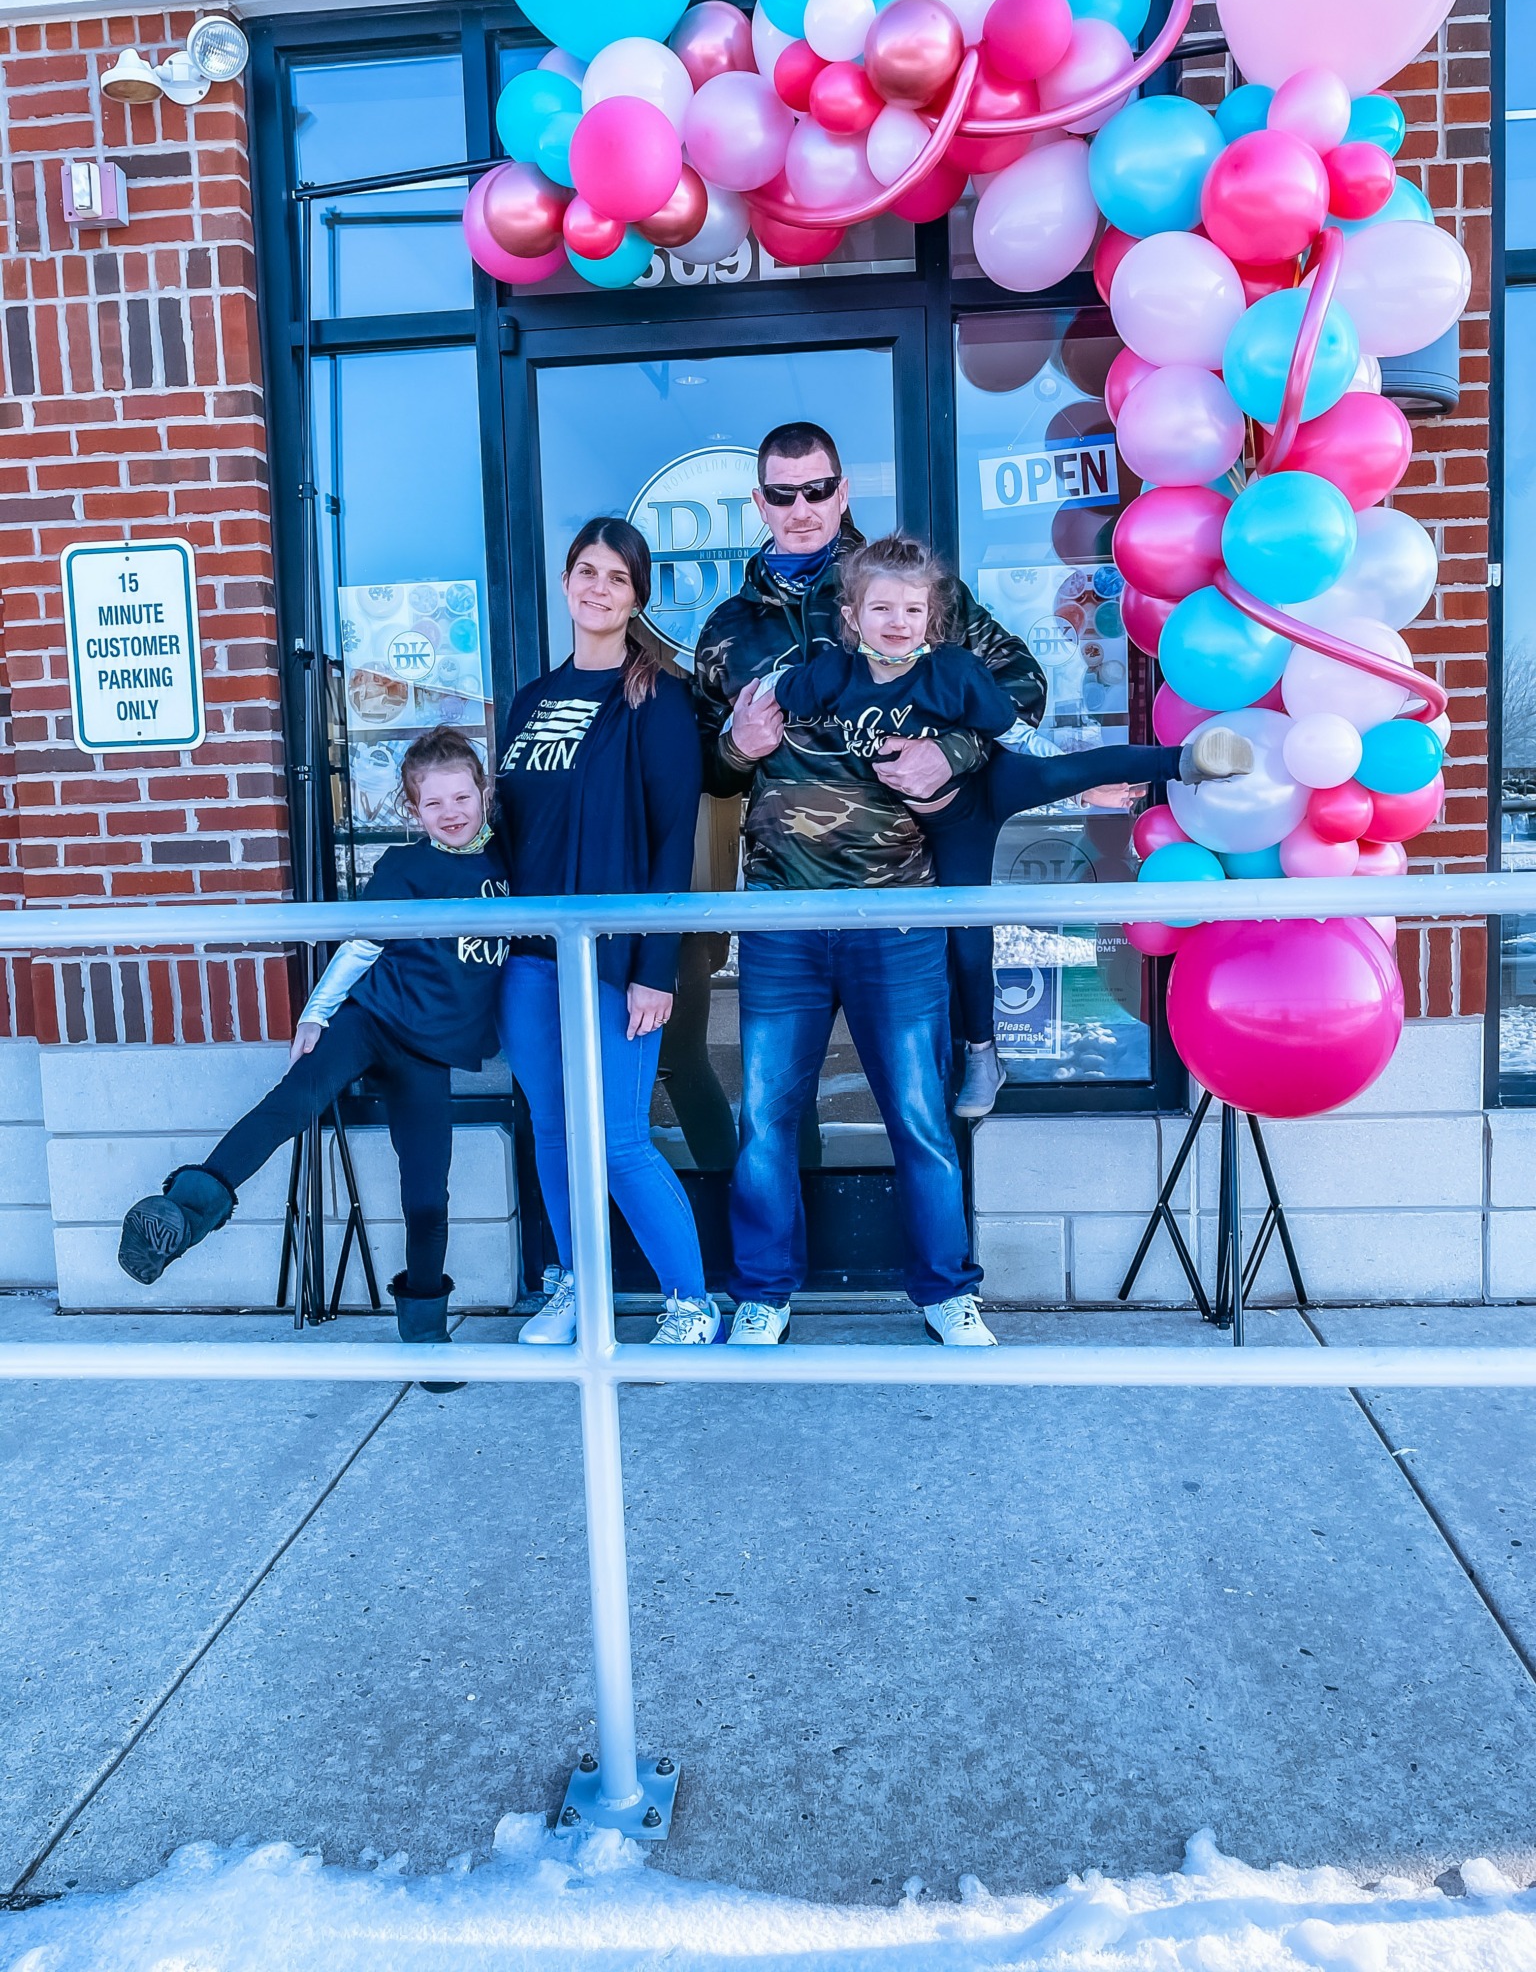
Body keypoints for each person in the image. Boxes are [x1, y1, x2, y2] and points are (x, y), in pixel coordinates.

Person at [691, 423, 1046, 1349]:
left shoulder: (905, 590)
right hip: (783, 914)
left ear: (842, 492)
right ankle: (763, 1293)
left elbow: (1021, 689)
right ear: (759, 504)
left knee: (919, 1118)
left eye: (817, 490)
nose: (801, 508)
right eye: (782, 494)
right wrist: (736, 746)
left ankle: (945, 1291)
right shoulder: (728, 629)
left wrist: (949, 753)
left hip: (900, 909)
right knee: (766, 1120)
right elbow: (705, 768)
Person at [765, 534, 1253, 1116]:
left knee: (1070, 772)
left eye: (913, 610)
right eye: (882, 608)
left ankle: (1190, 761)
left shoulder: (954, 671)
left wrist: (1071, 783)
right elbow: (773, 691)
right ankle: (983, 1055)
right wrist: (741, 726)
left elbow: (1017, 737)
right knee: (964, 938)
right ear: (852, 617)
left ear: (931, 616)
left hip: (981, 795)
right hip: (922, 829)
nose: (898, 622)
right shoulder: (832, 676)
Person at [117, 726, 512, 1391]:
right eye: (433, 802)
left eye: (461, 798)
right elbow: (361, 945)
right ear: (413, 809)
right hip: (370, 1021)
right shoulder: (405, 868)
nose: (450, 812)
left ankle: (425, 1338)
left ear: (484, 793)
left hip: (430, 1054)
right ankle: (180, 1215)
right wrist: (316, 1014)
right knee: (292, 1103)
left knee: (427, 1196)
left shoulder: (507, 861)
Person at [500, 518, 716, 1349]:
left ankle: (690, 1303)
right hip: (529, 960)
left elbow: (671, 839)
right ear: (565, 582)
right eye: (587, 571)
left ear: (637, 597)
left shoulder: (657, 700)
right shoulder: (530, 701)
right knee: (554, 1132)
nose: (598, 588)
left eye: (617, 577)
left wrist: (656, 967)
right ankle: (579, 1286)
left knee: (620, 1141)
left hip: (615, 958)